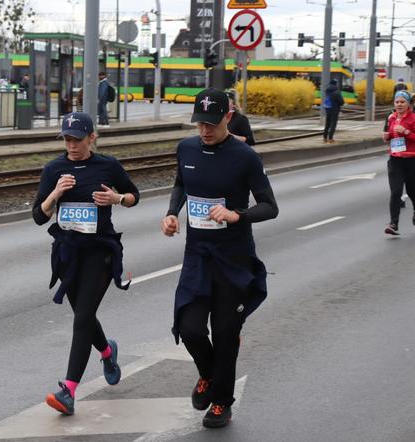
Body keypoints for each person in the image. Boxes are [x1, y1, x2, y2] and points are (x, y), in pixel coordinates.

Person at [161, 88, 278, 428]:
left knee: (226, 332)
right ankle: (209, 376)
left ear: (229, 117)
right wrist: (172, 213)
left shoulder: (245, 157)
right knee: (190, 328)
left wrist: (237, 215)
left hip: (233, 257)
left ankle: (222, 403)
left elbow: (270, 206)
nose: (205, 130)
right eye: (200, 123)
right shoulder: (186, 148)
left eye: (212, 123)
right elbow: (181, 184)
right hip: (198, 255)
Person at [33, 112, 140, 415]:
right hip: (68, 254)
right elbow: (38, 217)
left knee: (82, 318)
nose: (71, 145)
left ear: (92, 138)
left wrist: (117, 199)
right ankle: (107, 352)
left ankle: (68, 391)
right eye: (67, 139)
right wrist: (55, 193)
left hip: (100, 251)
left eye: (77, 139)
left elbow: (135, 196)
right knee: (84, 316)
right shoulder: (54, 169)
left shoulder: (107, 165)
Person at [382, 90, 415, 235]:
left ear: (408, 104)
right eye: (397, 102)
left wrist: (407, 132)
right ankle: (393, 224)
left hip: (411, 160)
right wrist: (387, 136)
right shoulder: (391, 118)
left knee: (413, 192)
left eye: (402, 102)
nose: (399, 104)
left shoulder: (413, 118)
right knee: (396, 192)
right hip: (395, 160)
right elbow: (391, 136)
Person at [322, 79, 345, 144]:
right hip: (334, 110)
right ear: (336, 84)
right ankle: (330, 139)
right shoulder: (337, 92)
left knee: (327, 124)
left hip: (328, 109)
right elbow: (341, 102)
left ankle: (324, 138)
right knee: (333, 124)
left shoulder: (327, 91)